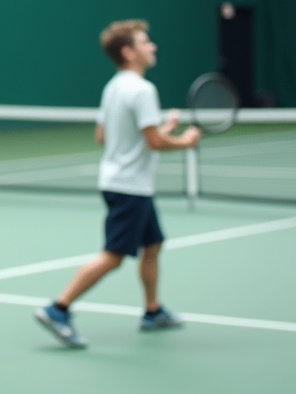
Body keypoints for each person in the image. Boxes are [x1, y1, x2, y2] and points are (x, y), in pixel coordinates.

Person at [34, 20, 201, 348]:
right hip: (130, 187)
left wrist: (162, 127)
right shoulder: (142, 90)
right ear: (128, 52)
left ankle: (152, 311)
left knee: (152, 245)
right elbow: (153, 143)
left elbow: (104, 136)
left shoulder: (113, 87)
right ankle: (58, 308)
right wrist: (184, 140)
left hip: (120, 182)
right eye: (145, 42)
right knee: (113, 256)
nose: (153, 47)